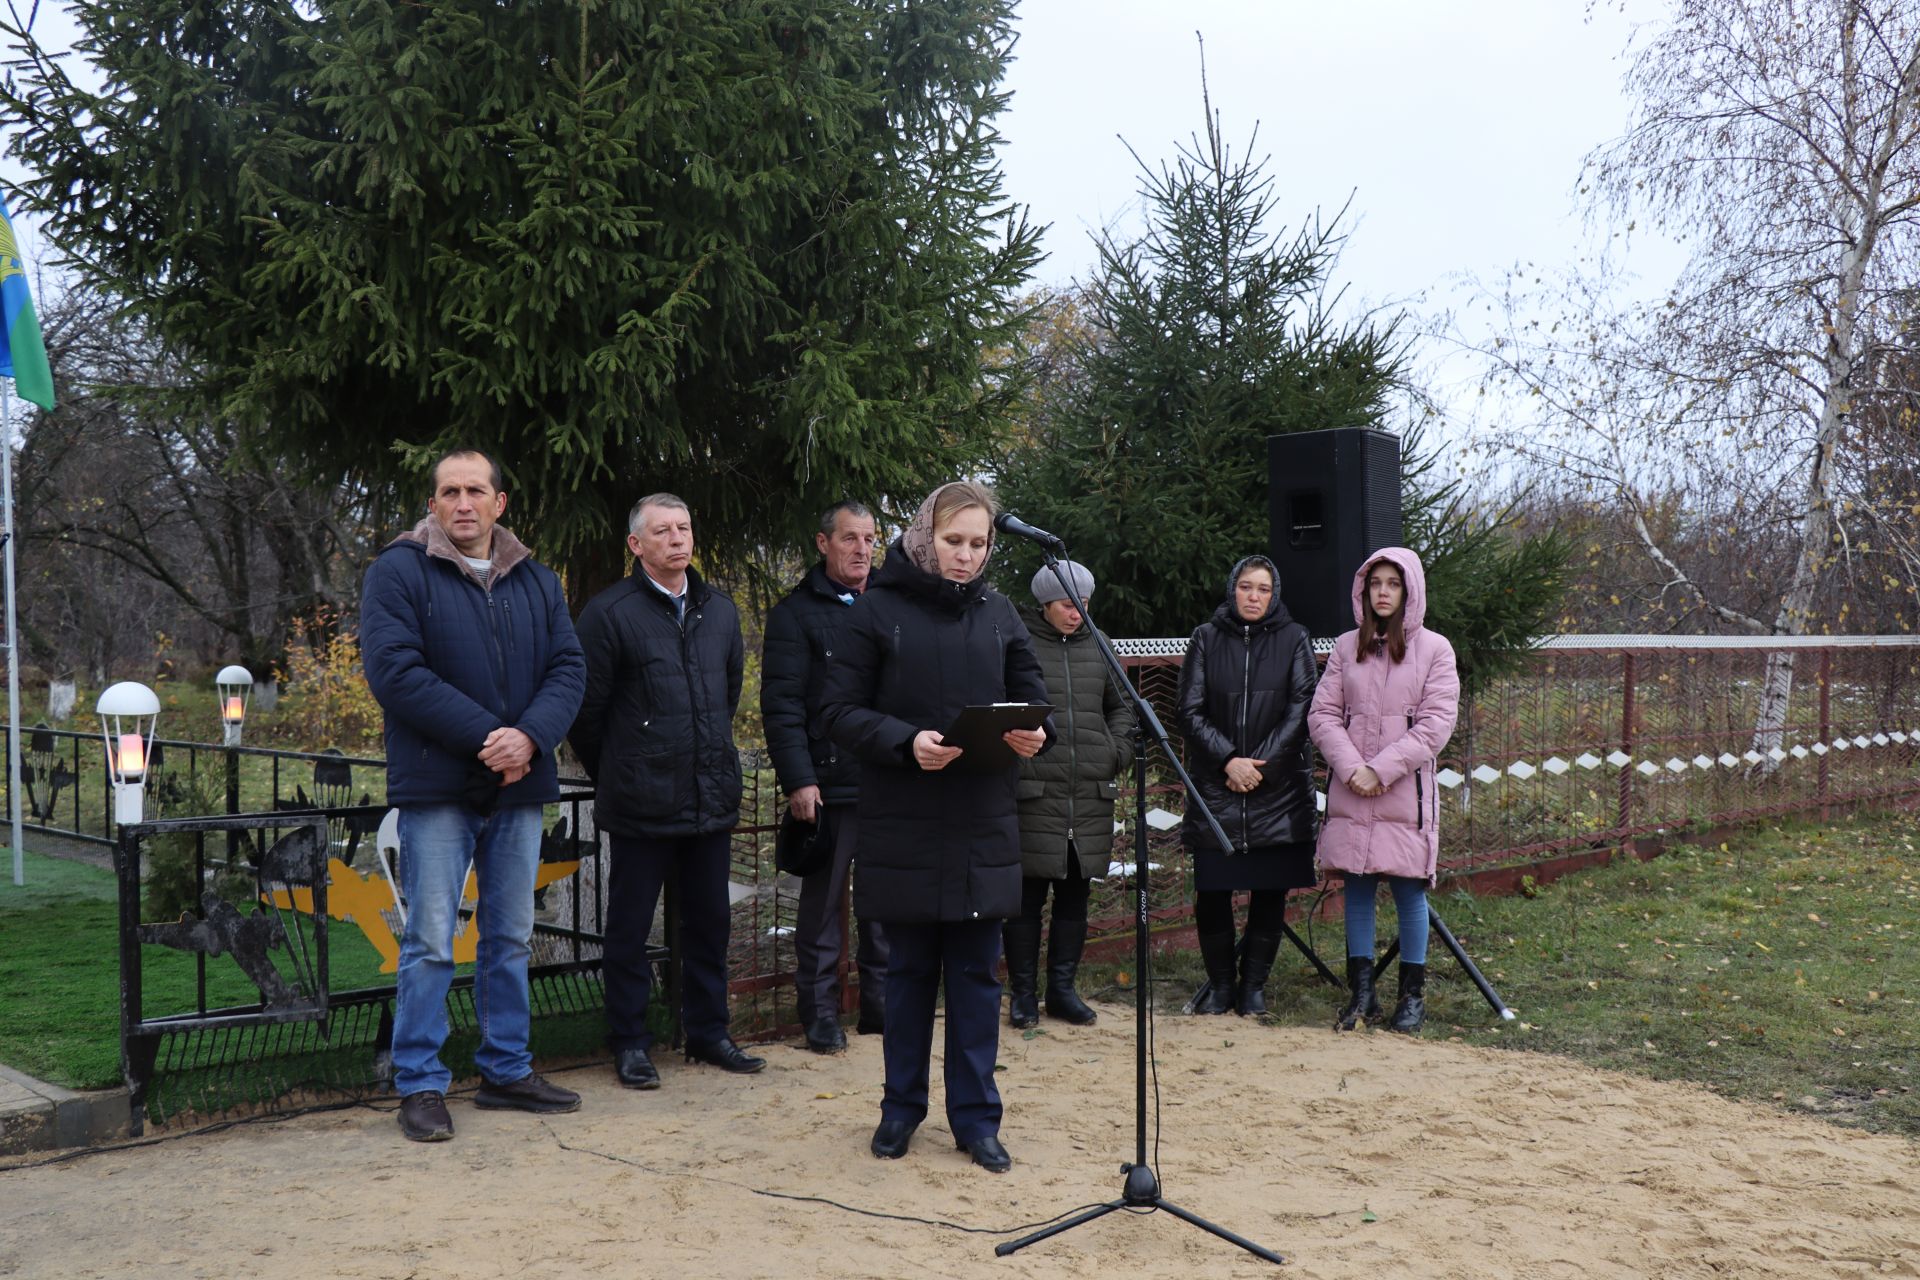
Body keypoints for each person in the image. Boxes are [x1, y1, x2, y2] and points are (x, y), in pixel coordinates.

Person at [821, 481, 1051, 1173]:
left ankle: (977, 1120)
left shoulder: (1002, 613)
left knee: (979, 977)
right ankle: (900, 1110)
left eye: (979, 544)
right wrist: (904, 741)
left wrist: (1035, 732)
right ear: (926, 536)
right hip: (906, 820)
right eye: (955, 541)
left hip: (983, 820)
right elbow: (836, 710)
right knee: (911, 973)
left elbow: (1036, 697)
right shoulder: (876, 610)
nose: (966, 557)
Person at [360, 447, 588, 1143]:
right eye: (449, 492)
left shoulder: (537, 580)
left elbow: (568, 668)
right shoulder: (398, 573)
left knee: (512, 936)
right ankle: (421, 1084)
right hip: (438, 787)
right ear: (432, 504)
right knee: (431, 940)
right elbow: (396, 672)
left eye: (476, 491)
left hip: (520, 787)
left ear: (500, 503)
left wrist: (531, 738)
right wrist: (493, 736)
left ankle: (505, 1069)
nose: (463, 503)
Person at [569, 493, 764, 1089]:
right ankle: (630, 1041)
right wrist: (625, 769)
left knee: (709, 922)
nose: (678, 539)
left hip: (707, 795)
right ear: (637, 545)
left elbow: (725, 698)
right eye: (663, 530)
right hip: (640, 801)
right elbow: (587, 714)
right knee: (630, 928)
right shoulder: (609, 613)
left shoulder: (720, 612)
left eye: (684, 527)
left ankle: (708, 1032)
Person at [1308, 547, 1460, 1035]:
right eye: (1376, 583)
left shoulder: (1435, 650)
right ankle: (1362, 995)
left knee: (1408, 892)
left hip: (1402, 792)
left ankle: (1411, 998)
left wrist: (1382, 769)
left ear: (1409, 590)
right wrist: (1354, 768)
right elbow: (1323, 715)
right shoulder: (1345, 647)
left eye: (1393, 583)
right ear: (1364, 590)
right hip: (1353, 787)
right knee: (1356, 889)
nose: (1383, 592)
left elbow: (1436, 725)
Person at [761, 501, 889, 1054]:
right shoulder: (795, 614)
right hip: (829, 784)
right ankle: (819, 1014)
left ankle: (882, 1009)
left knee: (886, 905)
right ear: (824, 543)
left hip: (890, 779)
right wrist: (799, 780)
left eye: (869, 539)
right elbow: (782, 705)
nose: (862, 549)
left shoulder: (892, 602)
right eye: (850, 539)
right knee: (821, 911)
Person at [1176, 555, 1319, 1016]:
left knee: (1269, 888)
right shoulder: (1205, 638)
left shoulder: (1294, 638)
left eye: (1262, 588)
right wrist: (1228, 761)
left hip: (1275, 789)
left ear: (1274, 594)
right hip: (1217, 787)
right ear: (1231, 590)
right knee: (1214, 888)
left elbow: (1302, 708)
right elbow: (1189, 710)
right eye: (1245, 587)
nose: (1253, 596)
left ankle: (1253, 986)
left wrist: (1260, 765)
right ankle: (1221, 985)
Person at [1006, 561, 1133, 1029]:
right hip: (1035, 793)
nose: (1076, 613)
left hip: (1089, 794)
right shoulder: (1018, 645)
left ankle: (1062, 991)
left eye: (1082, 603)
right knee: (1025, 899)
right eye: (1065, 604)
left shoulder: (1101, 647)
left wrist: (1114, 753)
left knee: (1075, 897)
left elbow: (1123, 708)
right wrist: (1019, 758)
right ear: (1045, 604)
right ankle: (1022, 995)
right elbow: (1006, 707)